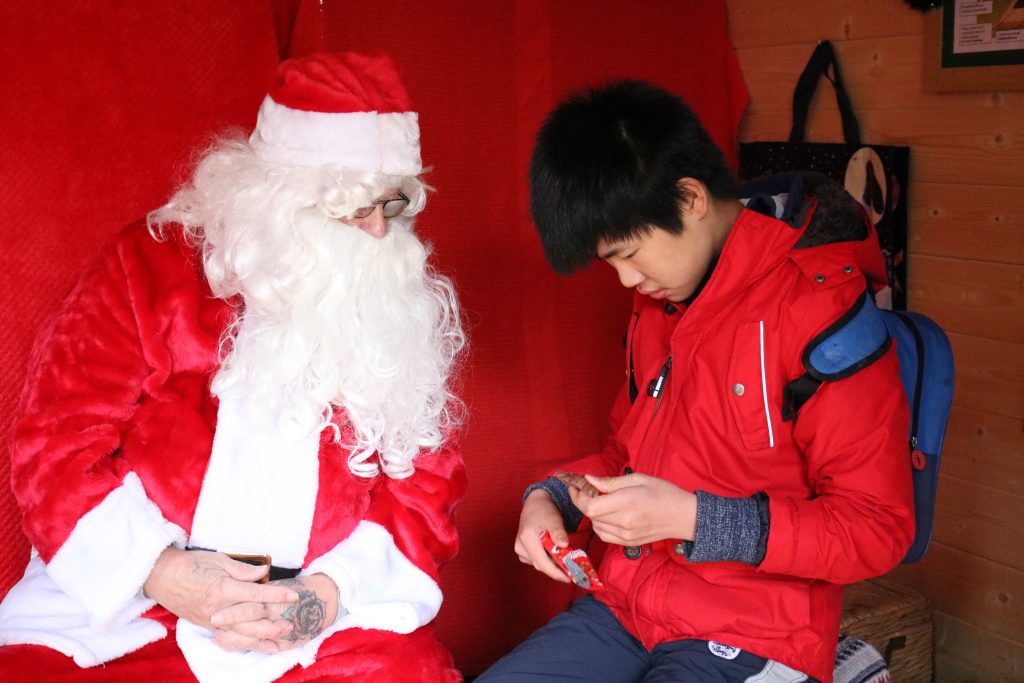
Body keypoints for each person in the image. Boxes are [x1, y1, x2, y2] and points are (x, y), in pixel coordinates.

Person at [0, 51, 466, 683]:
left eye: (392, 205)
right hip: (137, 608)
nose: (381, 234)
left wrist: (325, 594)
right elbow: (56, 442)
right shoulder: (148, 267)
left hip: (325, 622)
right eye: (354, 210)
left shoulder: (392, 296)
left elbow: (424, 484)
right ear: (277, 197)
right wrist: (158, 571)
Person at [476, 80, 915, 683]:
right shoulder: (660, 304)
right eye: (611, 262)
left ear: (689, 199)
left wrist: (692, 519)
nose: (627, 281)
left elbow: (877, 528)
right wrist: (547, 498)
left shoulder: (823, 309)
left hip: (762, 630)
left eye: (629, 253)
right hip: (629, 607)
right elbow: (624, 453)